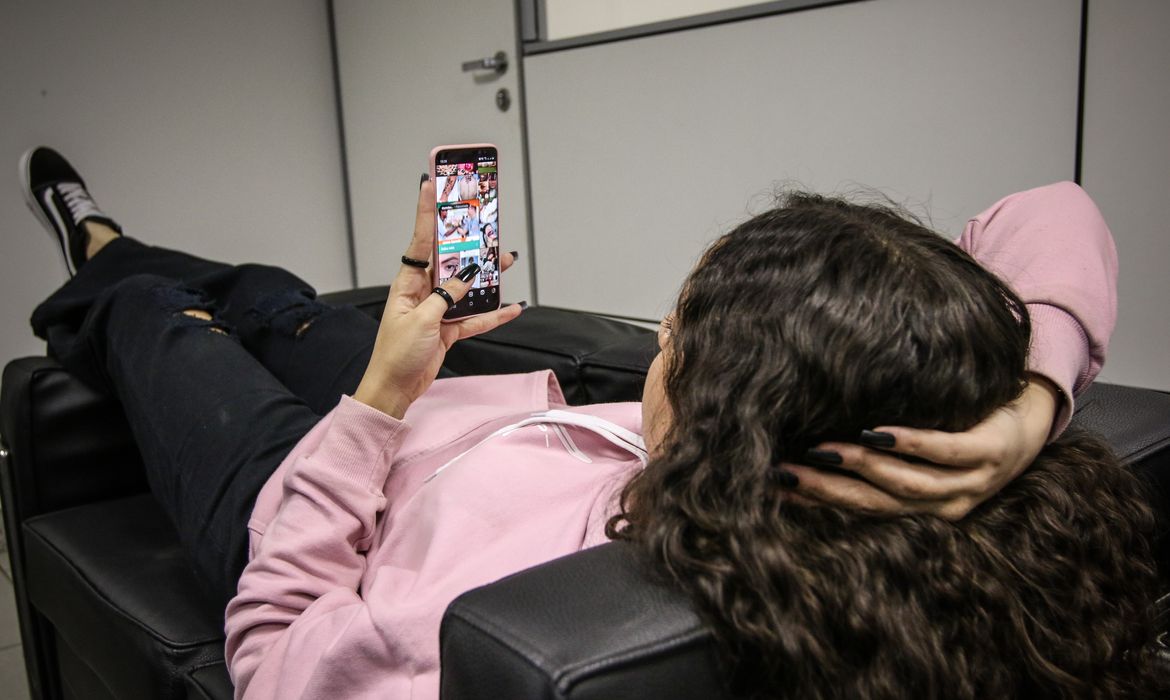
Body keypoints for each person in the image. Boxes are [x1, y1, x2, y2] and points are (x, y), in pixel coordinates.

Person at [18, 146, 1161, 698]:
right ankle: (228, 290)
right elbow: (1052, 207)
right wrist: (1036, 397)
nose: (655, 347)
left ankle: (102, 244)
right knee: (280, 299)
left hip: (315, 485)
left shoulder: (500, 606)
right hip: (461, 402)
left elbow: (272, 664)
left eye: (671, 334)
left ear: (728, 417)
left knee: (158, 317)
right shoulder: (868, 439)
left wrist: (372, 408)